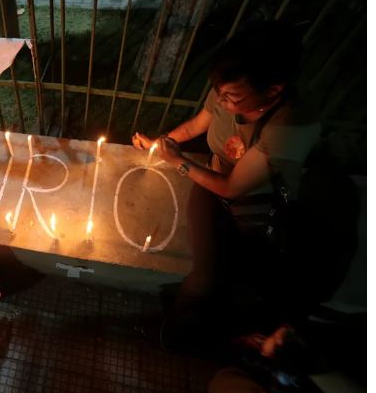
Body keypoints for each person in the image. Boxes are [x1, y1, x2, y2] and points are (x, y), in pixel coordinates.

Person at [132, 21, 322, 343]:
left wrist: (178, 163)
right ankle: (184, 324)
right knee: (208, 276)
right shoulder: (227, 89)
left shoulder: (290, 127)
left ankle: (196, 333)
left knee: (232, 278)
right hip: (212, 184)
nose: (220, 101)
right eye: (218, 91)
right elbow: (195, 126)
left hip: (259, 200)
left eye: (231, 96)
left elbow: (232, 187)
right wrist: (161, 144)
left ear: (273, 91)